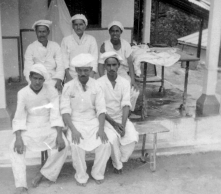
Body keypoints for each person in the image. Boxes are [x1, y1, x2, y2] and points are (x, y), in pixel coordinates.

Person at [10, 64, 69, 194]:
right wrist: (18, 137)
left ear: (44, 80)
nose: (37, 82)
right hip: (29, 125)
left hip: (48, 124)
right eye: (35, 78)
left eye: (40, 79)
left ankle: (44, 173)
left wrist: (59, 135)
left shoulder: (51, 91)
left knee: (64, 144)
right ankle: (21, 184)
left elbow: (55, 114)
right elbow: (19, 116)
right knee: (14, 147)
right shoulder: (23, 93)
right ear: (30, 77)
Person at [60, 53, 115, 186]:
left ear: (91, 71)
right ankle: (81, 175)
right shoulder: (68, 86)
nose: (83, 73)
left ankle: (97, 173)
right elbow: (65, 111)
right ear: (76, 71)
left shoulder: (97, 85)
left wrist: (101, 129)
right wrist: (73, 130)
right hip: (75, 122)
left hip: (93, 121)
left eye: (86, 70)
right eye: (80, 70)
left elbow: (101, 110)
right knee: (75, 144)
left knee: (105, 143)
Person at [97, 52, 139, 174]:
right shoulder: (99, 83)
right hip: (104, 119)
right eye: (108, 65)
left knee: (132, 137)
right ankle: (117, 165)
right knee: (112, 139)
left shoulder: (125, 82)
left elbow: (126, 105)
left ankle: (119, 159)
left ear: (118, 65)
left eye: (114, 65)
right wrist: (114, 124)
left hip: (121, 118)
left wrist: (123, 125)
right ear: (104, 66)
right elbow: (100, 108)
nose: (111, 68)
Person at [98, 21, 139, 111]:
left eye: (117, 31)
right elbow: (100, 64)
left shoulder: (126, 45)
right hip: (108, 70)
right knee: (106, 89)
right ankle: (110, 110)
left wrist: (132, 80)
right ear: (109, 32)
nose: (115, 33)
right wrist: (102, 78)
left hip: (121, 71)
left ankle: (126, 111)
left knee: (133, 91)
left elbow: (130, 64)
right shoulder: (105, 45)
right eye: (112, 31)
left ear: (121, 32)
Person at [24, 20, 64, 93]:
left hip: (53, 79)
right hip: (37, 80)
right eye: (39, 32)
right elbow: (27, 69)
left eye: (44, 32)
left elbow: (60, 66)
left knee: (57, 100)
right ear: (36, 32)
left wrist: (59, 80)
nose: (42, 34)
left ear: (48, 32)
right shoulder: (31, 48)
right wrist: (32, 83)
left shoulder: (55, 46)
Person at [61, 14, 98, 83]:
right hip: (71, 75)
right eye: (76, 24)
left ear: (85, 25)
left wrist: (91, 76)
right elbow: (64, 60)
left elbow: (94, 59)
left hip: (88, 74)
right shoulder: (66, 40)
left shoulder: (91, 39)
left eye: (81, 24)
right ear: (72, 26)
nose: (78, 27)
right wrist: (68, 76)